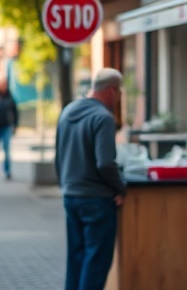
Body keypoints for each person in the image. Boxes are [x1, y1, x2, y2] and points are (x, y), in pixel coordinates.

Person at [55, 68, 126, 290]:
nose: (119, 98)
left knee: (76, 260)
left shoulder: (67, 111)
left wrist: (66, 186)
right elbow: (105, 163)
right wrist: (120, 188)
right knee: (95, 263)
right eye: (119, 92)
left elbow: (59, 157)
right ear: (112, 91)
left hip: (71, 196)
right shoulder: (103, 118)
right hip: (97, 200)